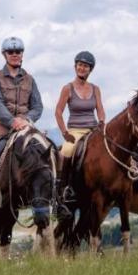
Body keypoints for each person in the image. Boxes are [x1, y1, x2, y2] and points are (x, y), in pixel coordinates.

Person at [0, 36, 43, 221]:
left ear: (22, 54)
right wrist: (12, 121)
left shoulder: (30, 79)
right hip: (3, 124)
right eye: (11, 52)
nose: (15, 55)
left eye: (18, 52)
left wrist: (26, 119)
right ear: (4, 54)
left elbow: (38, 106)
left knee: (49, 151)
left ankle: (54, 199)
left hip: (26, 124)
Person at [53, 51, 105, 217]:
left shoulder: (95, 89)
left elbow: (100, 110)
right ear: (75, 66)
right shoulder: (67, 88)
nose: (82, 68)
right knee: (66, 151)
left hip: (93, 129)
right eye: (80, 65)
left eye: (86, 66)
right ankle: (63, 190)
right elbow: (58, 112)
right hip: (75, 130)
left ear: (90, 70)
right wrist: (64, 133)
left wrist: (102, 122)